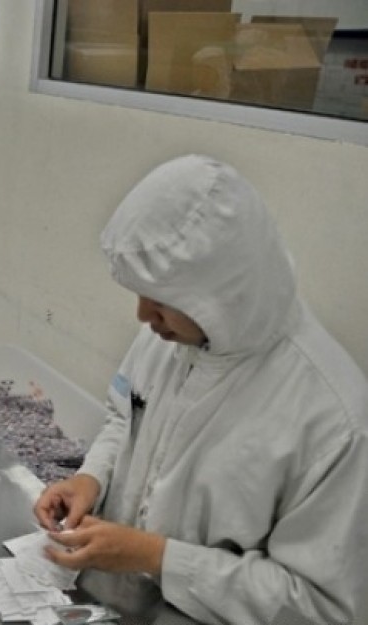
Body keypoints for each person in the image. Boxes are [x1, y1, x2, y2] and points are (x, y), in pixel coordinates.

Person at [33, 155, 368, 625]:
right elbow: (124, 418)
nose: (143, 317)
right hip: (120, 603)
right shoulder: (170, 336)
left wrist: (157, 557)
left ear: (222, 295)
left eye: (162, 301)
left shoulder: (334, 421)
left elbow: (319, 607)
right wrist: (90, 479)